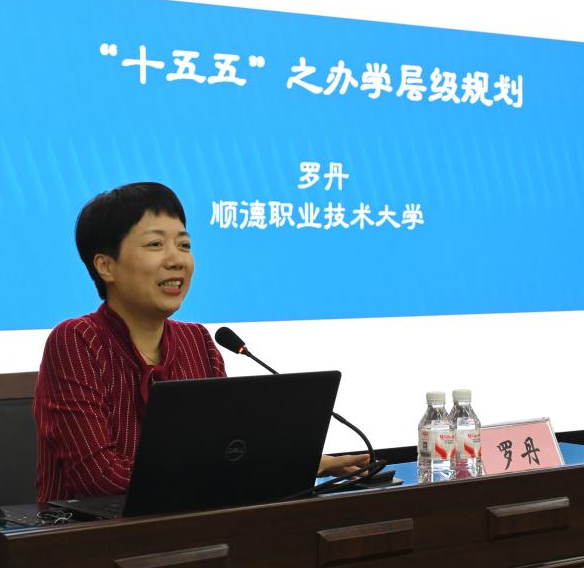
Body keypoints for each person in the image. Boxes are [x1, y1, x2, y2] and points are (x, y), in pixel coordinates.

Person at [33, 182, 367, 502]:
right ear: (106, 266)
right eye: (155, 244)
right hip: (92, 535)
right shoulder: (77, 341)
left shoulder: (198, 342)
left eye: (184, 245)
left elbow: (227, 453)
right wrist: (235, 470)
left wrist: (293, 462)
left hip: (192, 527)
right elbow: (98, 478)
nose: (177, 260)